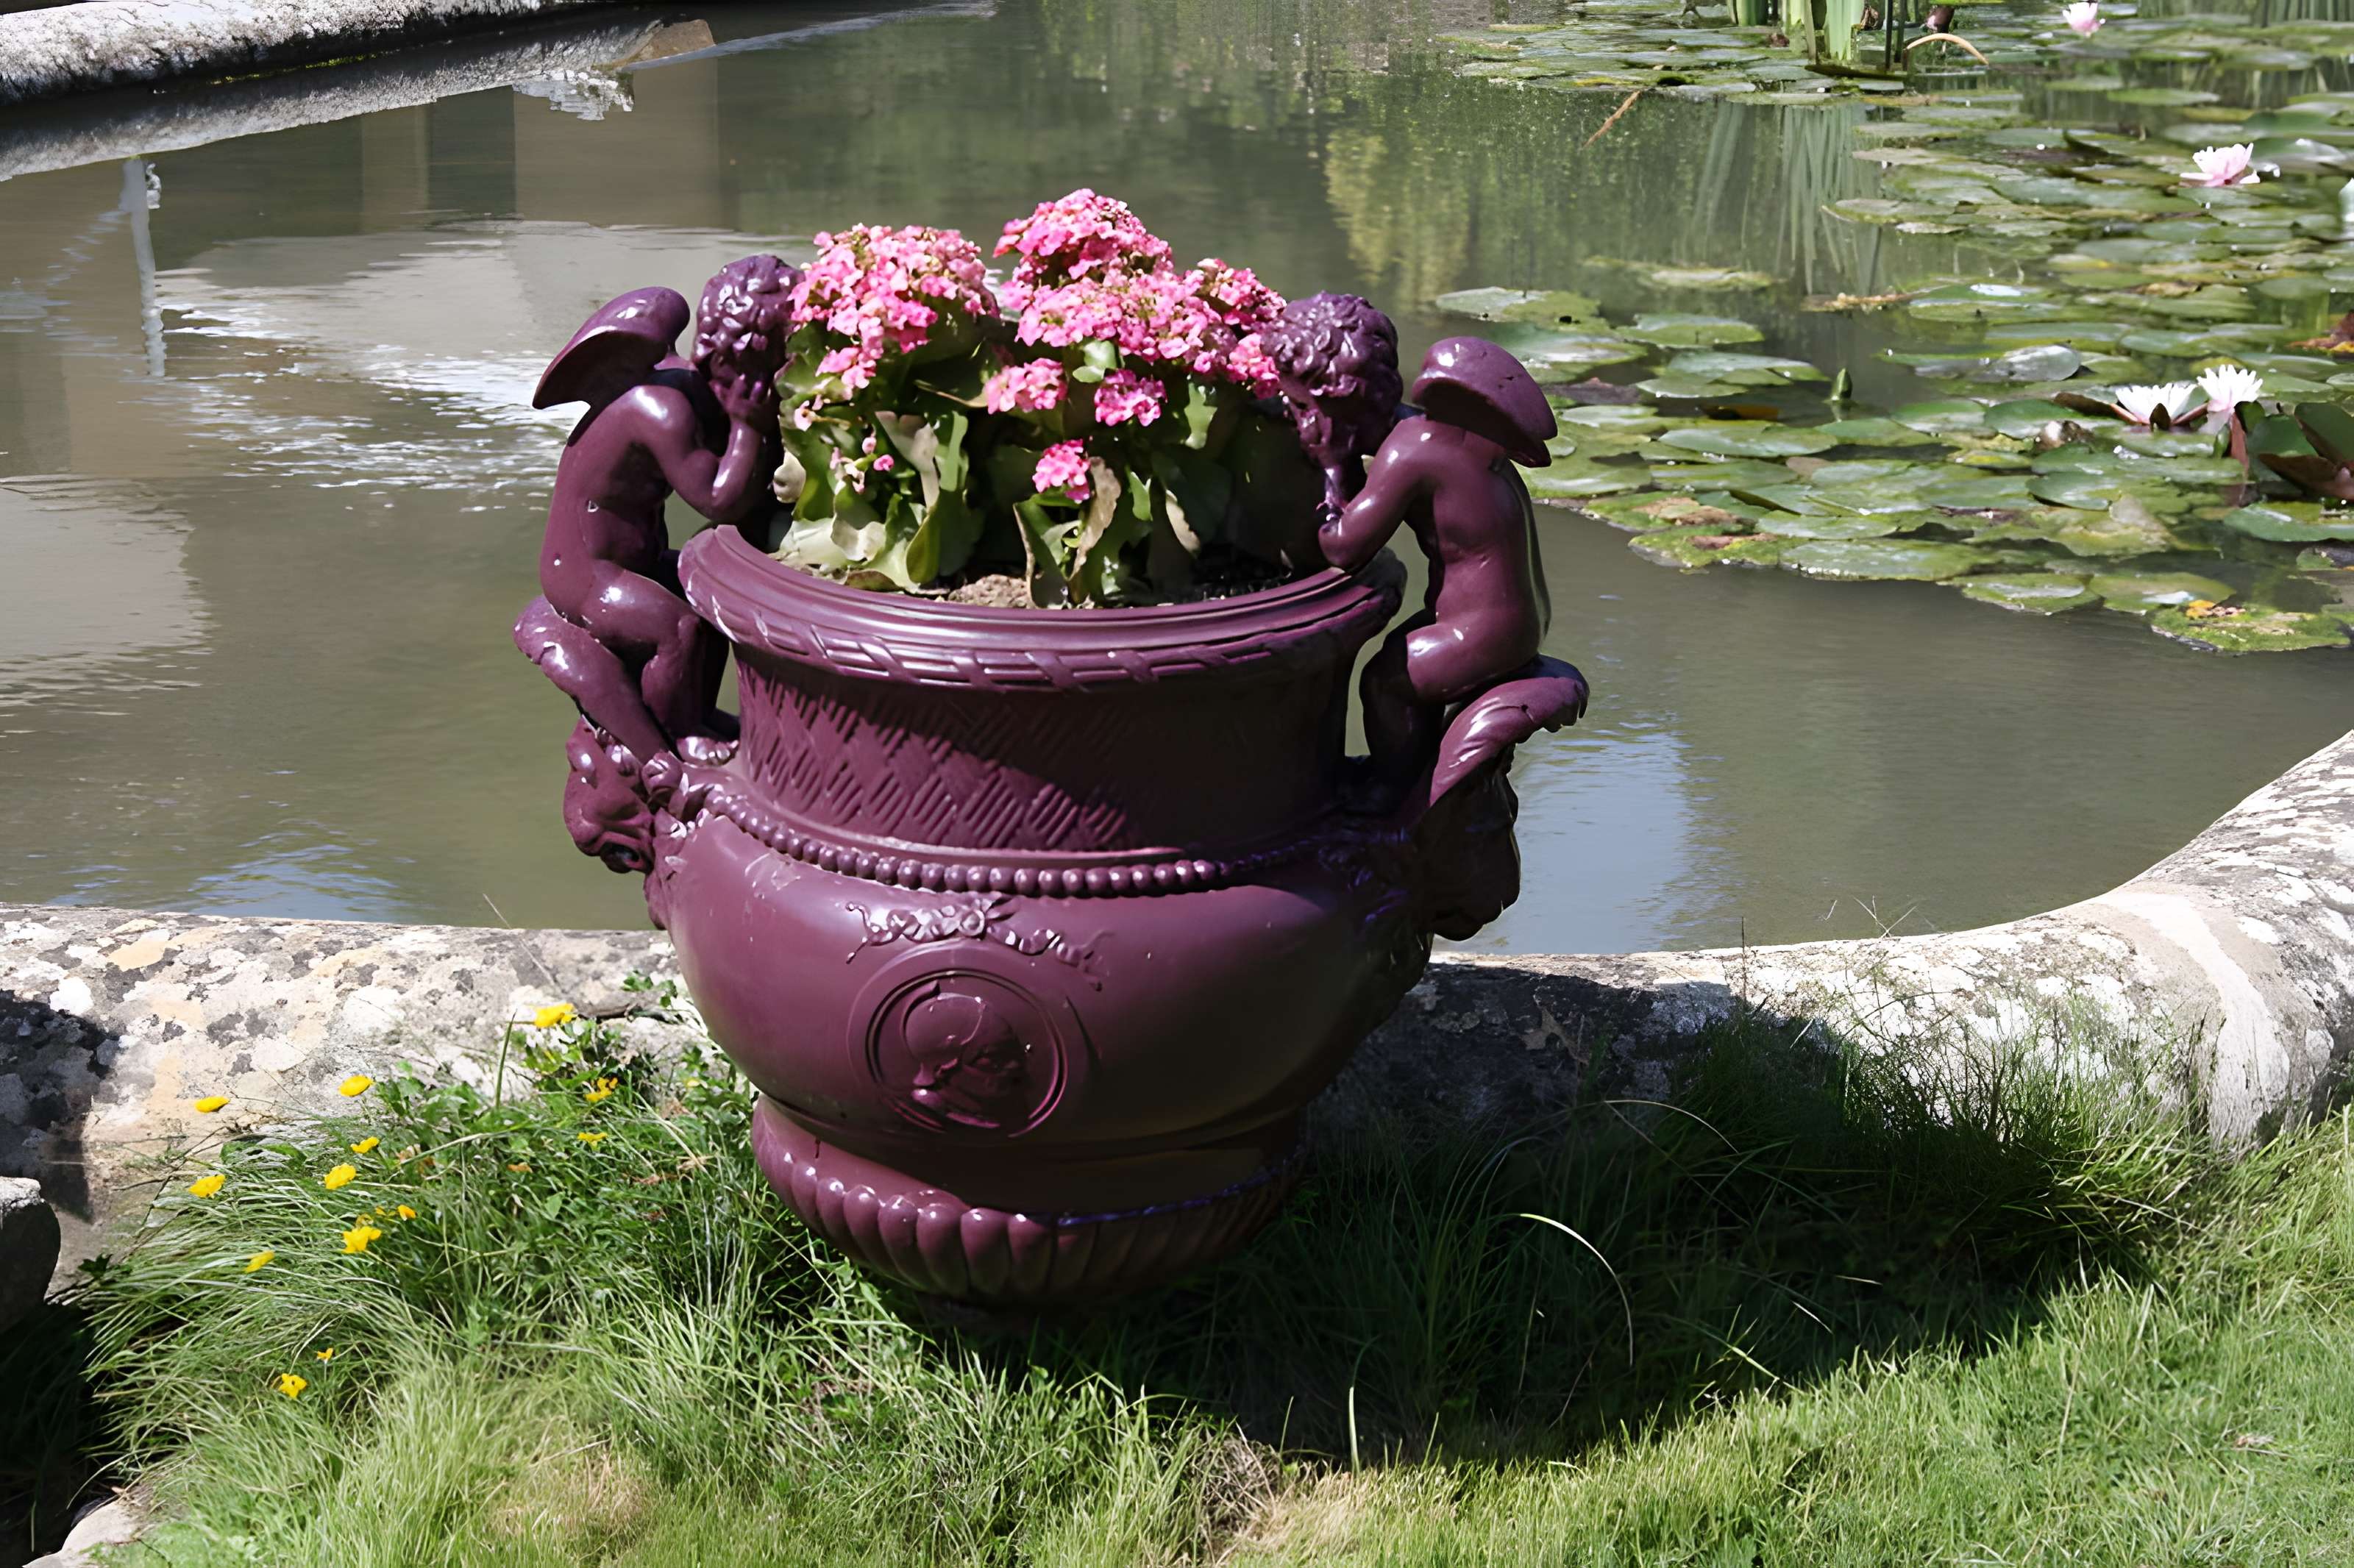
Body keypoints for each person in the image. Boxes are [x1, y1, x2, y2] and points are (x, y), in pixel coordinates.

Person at [520, 256, 797, 765]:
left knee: (710, 602)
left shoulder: (684, 383)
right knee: (678, 628)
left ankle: (698, 712)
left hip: (635, 559)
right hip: (584, 574)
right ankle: (679, 733)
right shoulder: (660, 408)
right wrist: (749, 423)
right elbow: (718, 499)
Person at [1318, 335, 1559, 802]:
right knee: (1400, 650)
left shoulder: (1414, 447)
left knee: (1387, 682)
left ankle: (1400, 801)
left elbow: (1343, 547)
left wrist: (1331, 469)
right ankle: (1418, 767)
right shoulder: (1466, 437)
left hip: (1484, 632)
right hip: (1522, 620)